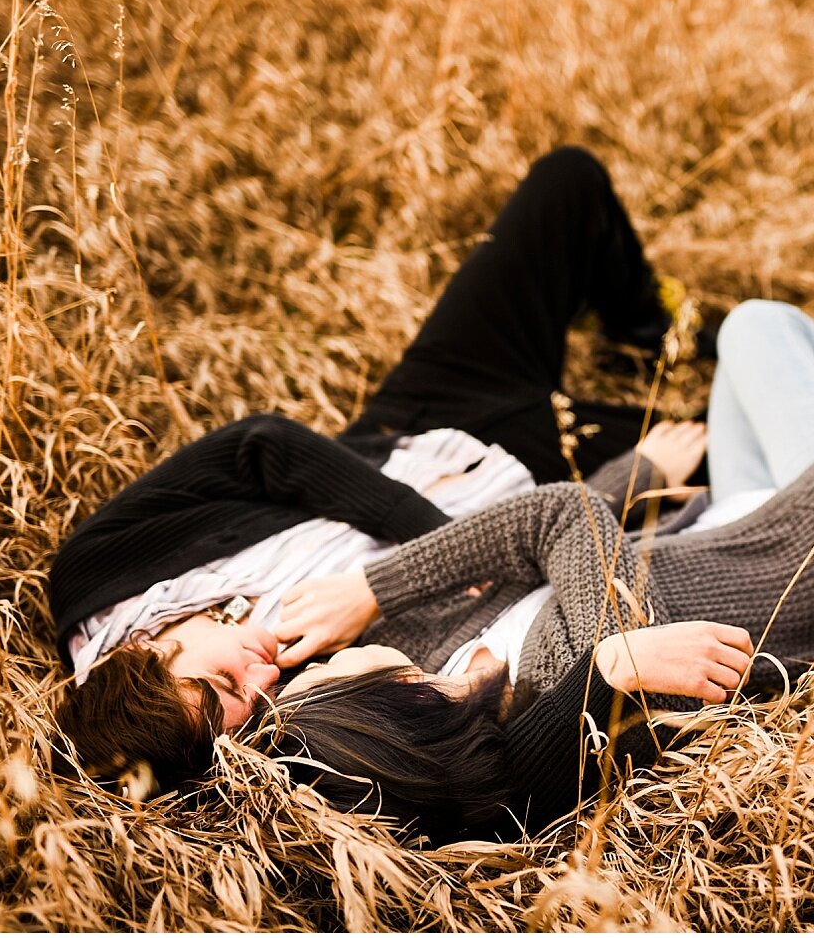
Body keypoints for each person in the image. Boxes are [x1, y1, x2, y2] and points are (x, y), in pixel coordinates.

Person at [52, 146, 710, 785]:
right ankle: (689, 375)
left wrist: (419, 539)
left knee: (566, 181)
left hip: (422, 418)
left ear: (142, 652)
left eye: (226, 677)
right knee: (717, 434)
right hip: (543, 476)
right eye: (245, 703)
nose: (261, 680)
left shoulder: (98, 574)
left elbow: (260, 445)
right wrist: (626, 480)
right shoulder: (278, 716)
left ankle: (652, 329)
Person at [248, 298, 814, 844]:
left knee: (738, 368)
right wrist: (374, 586)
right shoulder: (553, 685)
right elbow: (562, 519)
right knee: (757, 327)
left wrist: (633, 476)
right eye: (320, 678)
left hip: (740, 515)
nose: (312, 666)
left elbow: (534, 534)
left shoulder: (444, 650)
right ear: (395, 698)